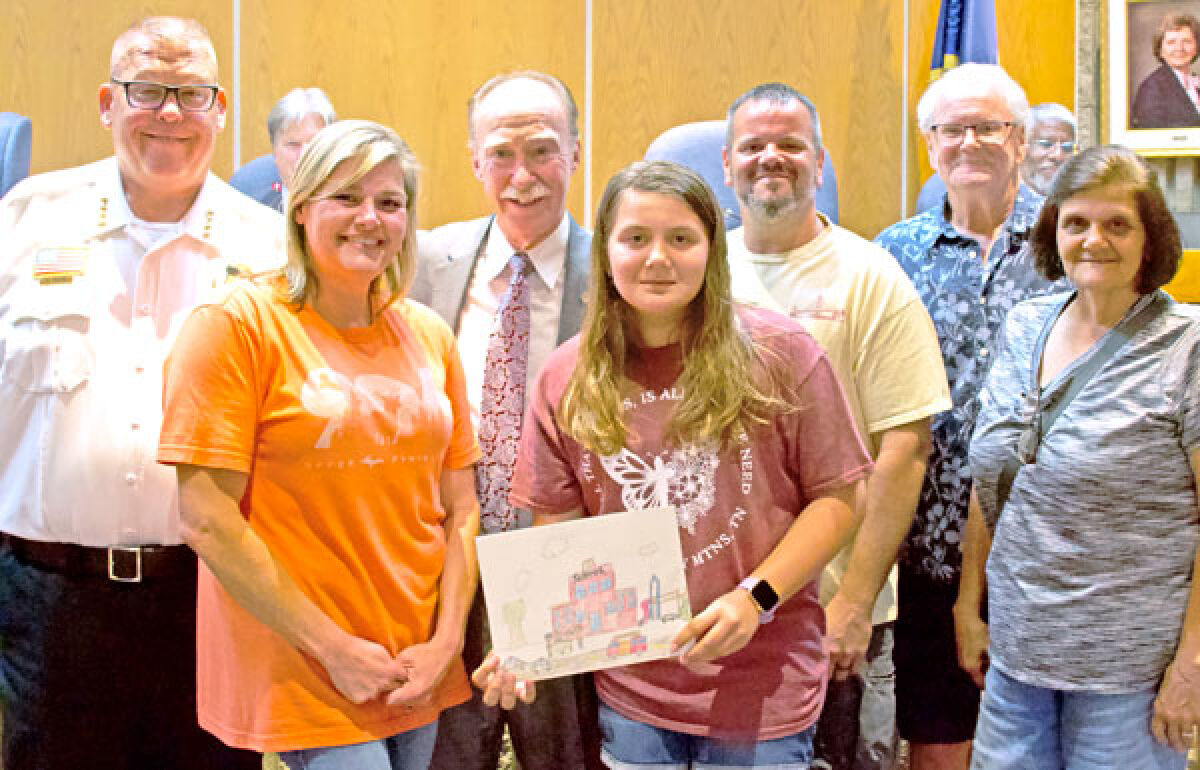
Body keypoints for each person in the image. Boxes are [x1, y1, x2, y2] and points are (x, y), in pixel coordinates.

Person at [476, 159, 872, 769]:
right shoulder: (565, 376)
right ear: (605, 250)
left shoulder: (781, 354)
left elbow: (840, 501)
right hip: (634, 695)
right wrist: (528, 646)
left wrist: (753, 598)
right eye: (635, 238)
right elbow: (559, 532)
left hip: (761, 690)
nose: (657, 257)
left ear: (712, 252)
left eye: (680, 239)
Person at [0, 16, 281, 769]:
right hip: (49, 600)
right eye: (147, 90)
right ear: (105, 103)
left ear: (220, 109)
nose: (169, 113)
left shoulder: (269, 251)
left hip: (209, 603)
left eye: (191, 94)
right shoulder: (26, 221)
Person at [158, 119, 480, 767]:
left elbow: (460, 507)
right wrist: (335, 650)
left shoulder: (427, 335)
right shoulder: (235, 324)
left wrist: (446, 644)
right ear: (301, 208)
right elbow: (208, 520)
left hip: (413, 665)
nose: (371, 218)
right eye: (346, 197)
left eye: (390, 203)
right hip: (307, 667)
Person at [722, 82, 950, 770]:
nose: (772, 158)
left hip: (833, 617)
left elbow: (905, 450)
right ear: (728, 165)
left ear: (819, 164)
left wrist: (853, 601)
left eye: (791, 145)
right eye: (753, 146)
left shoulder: (871, 278)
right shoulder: (697, 269)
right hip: (723, 613)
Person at [956, 144, 1200, 768]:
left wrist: (1191, 667)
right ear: (1053, 230)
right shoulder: (1024, 324)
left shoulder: (1187, 347)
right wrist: (967, 606)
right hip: (1016, 657)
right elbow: (995, 475)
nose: (1095, 240)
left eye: (1118, 224)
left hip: (1131, 678)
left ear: (1153, 238)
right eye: (1077, 223)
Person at [874, 62, 1067, 770]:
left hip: (1049, 545)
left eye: (990, 126)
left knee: (1043, 739)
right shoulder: (893, 254)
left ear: (1020, 140)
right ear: (930, 145)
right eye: (952, 129)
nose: (970, 142)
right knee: (937, 737)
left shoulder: (1070, 240)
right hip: (926, 541)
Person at [410, 70, 604, 770]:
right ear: (474, 160)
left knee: (568, 758)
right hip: (441, 565)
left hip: (566, 569)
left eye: (544, 151)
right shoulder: (424, 263)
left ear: (577, 154)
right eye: (501, 154)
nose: (522, 175)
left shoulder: (618, 274)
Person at [262, 86, 338, 210]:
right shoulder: (250, 204)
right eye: (293, 144)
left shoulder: (354, 208)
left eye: (315, 143)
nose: (304, 155)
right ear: (275, 152)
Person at [1131, 13, 1200, 129]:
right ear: (1160, 50)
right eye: (1171, 42)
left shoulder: (1196, 82)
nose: (1179, 48)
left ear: (1197, 47)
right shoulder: (1151, 88)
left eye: (1187, 41)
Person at [1019, 103, 1077, 196]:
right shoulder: (999, 202)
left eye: (1067, 147)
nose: (1058, 156)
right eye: (1046, 144)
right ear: (1021, 146)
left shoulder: (1080, 202)